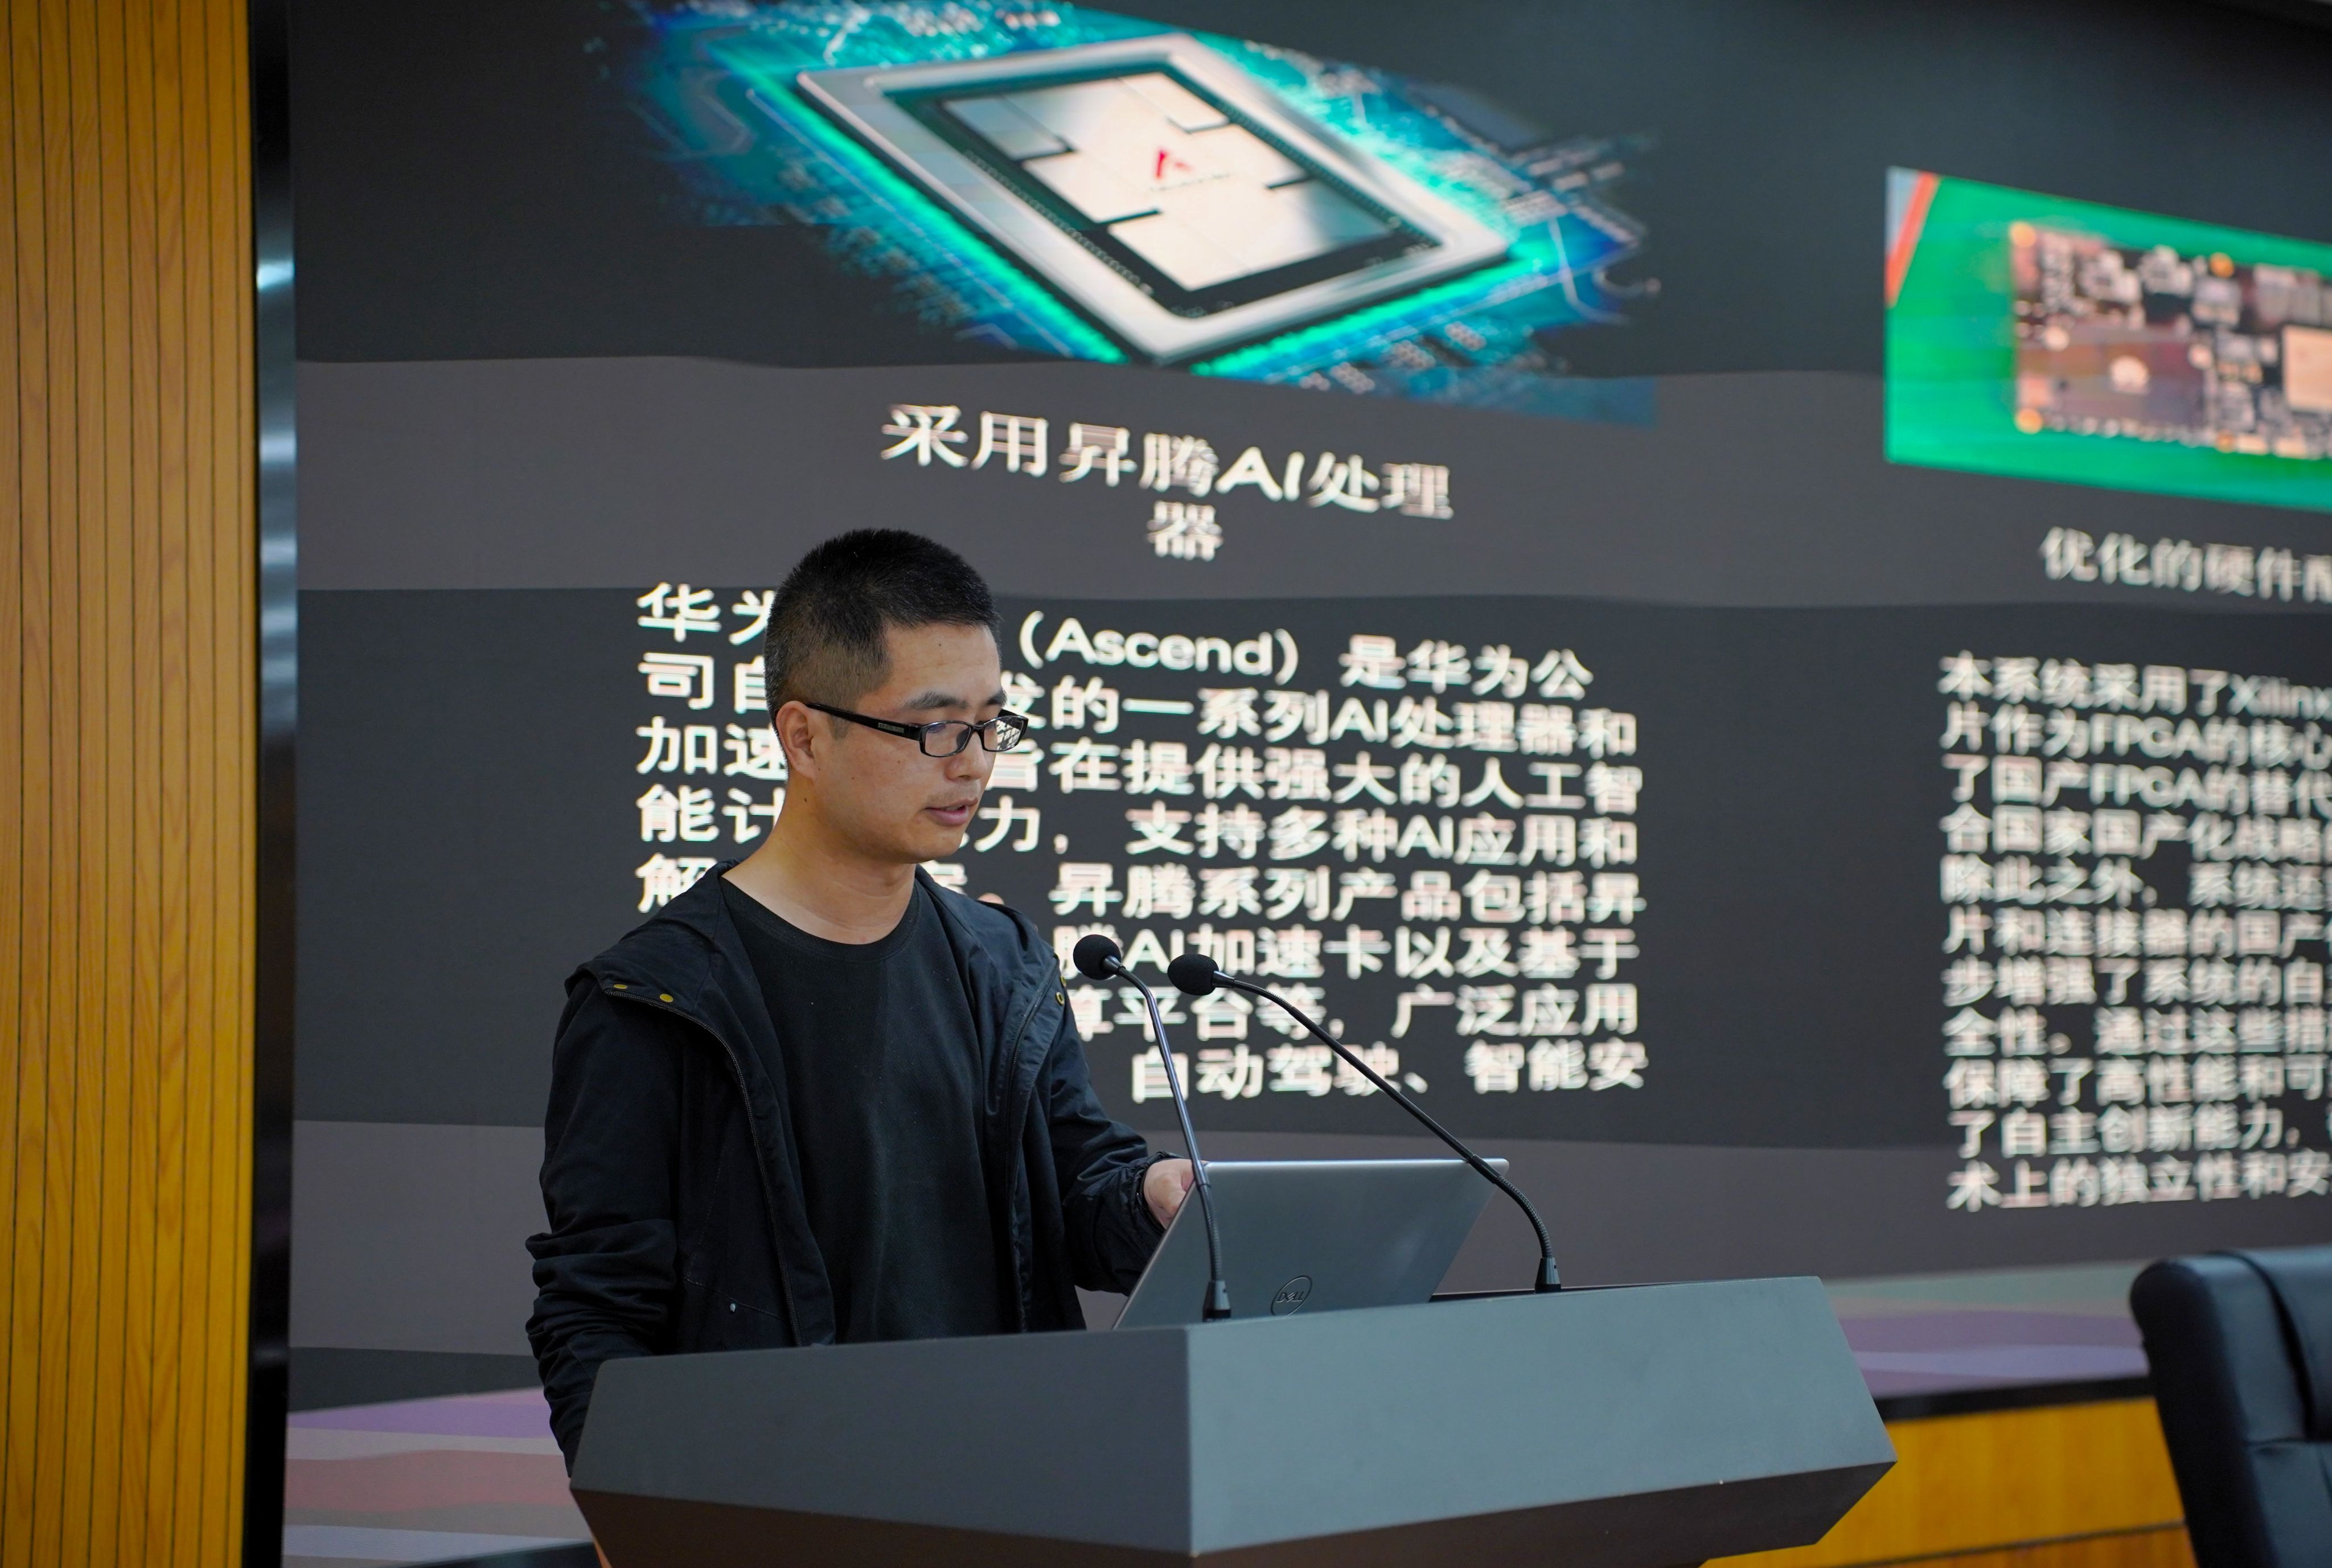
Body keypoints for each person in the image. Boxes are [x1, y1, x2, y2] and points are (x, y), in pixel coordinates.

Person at [525, 528, 1192, 1467]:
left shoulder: (1004, 963)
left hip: (1015, 1486)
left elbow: (1073, 1190)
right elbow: (598, 1311)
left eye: (991, 723)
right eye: (934, 727)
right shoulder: (658, 997)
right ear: (804, 736)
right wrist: (637, 1509)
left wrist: (1151, 1197)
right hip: (783, 1497)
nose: (972, 763)